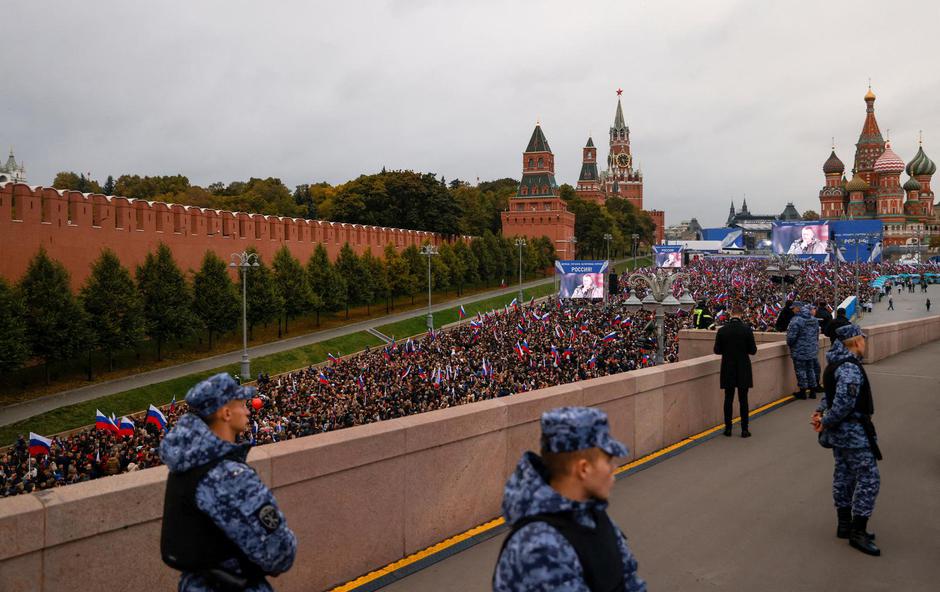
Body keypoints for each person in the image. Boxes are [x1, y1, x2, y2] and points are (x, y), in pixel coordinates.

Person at [160, 373, 297, 591]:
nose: (248, 410)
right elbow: (279, 553)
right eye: (242, 404)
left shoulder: (187, 464)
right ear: (225, 413)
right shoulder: (230, 477)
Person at [493, 407, 646, 592]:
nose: (614, 468)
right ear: (583, 469)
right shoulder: (539, 548)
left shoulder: (591, 516)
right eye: (608, 460)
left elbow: (629, 580)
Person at [813, 324, 882, 556]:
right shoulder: (850, 368)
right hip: (853, 432)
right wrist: (826, 420)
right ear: (855, 342)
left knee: (843, 475)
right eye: (863, 339)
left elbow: (829, 396)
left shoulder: (835, 363)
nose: (865, 342)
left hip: (840, 434)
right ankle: (858, 531)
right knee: (869, 478)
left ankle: (844, 525)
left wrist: (821, 413)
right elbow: (843, 403)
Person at [713, 305, 757, 437]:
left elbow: (717, 350)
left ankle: (728, 429)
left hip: (728, 367)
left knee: (728, 398)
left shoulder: (723, 330)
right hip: (743, 367)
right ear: (741, 315)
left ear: (731, 314)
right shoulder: (747, 330)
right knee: (743, 400)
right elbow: (753, 351)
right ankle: (744, 429)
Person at [786, 301, 820, 399]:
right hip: (812, 349)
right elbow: (817, 334)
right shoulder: (813, 319)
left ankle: (803, 392)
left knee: (800, 370)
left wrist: (790, 344)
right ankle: (813, 391)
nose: (792, 310)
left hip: (799, 350)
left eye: (793, 308)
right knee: (810, 369)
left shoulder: (796, 320)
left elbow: (791, 337)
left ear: (798, 308)